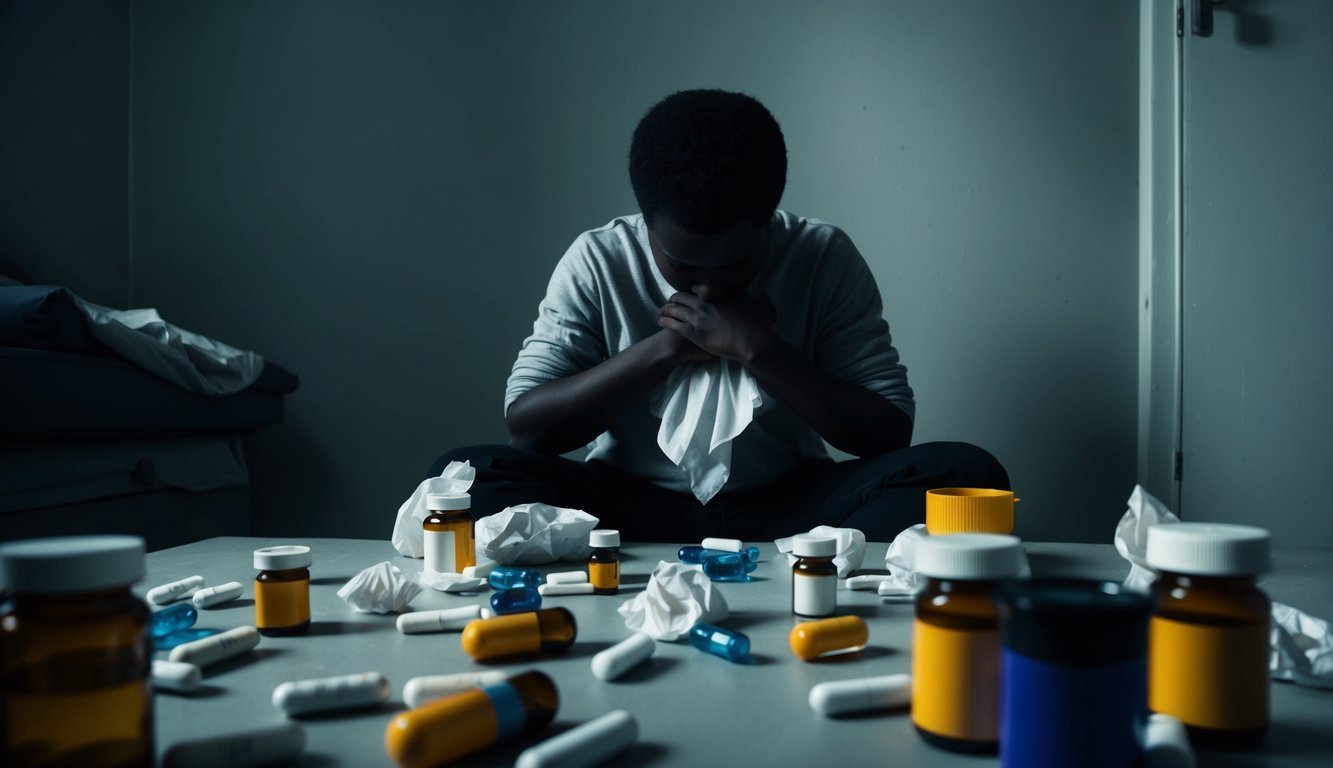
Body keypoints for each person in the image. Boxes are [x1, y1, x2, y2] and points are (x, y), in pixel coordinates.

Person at [432, 89, 1008, 542]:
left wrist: (758, 348)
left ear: (768, 220)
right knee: (466, 474)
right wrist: (668, 347)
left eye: (736, 267)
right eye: (681, 266)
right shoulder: (600, 257)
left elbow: (888, 432)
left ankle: (806, 563)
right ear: (646, 221)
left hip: (790, 505)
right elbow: (528, 427)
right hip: (623, 505)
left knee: (965, 473)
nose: (708, 287)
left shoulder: (821, 254)